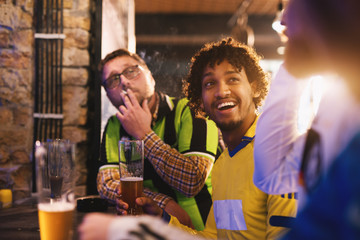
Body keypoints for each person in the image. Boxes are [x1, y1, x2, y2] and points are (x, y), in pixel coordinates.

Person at [80, 38, 297, 240]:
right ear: (200, 101)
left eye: (233, 79)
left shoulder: (282, 153)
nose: (222, 91)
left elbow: (191, 180)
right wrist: (162, 216)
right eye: (210, 84)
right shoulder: (223, 165)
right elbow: (213, 237)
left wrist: (144, 134)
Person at [254, 0, 360, 238]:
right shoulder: (338, 100)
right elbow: (271, 174)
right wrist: (294, 68)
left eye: (294, 3)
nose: (281, 22)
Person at [96, 48, 220, 230]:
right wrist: (163, 203)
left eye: (131, 71)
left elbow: (192, 181)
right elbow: (106, 184)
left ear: (150, 77)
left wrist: (144, 134)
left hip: (204, 232)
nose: (123, 81)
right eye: (113, 79)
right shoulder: (115, 125)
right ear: (108, 95)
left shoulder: (191, 110)